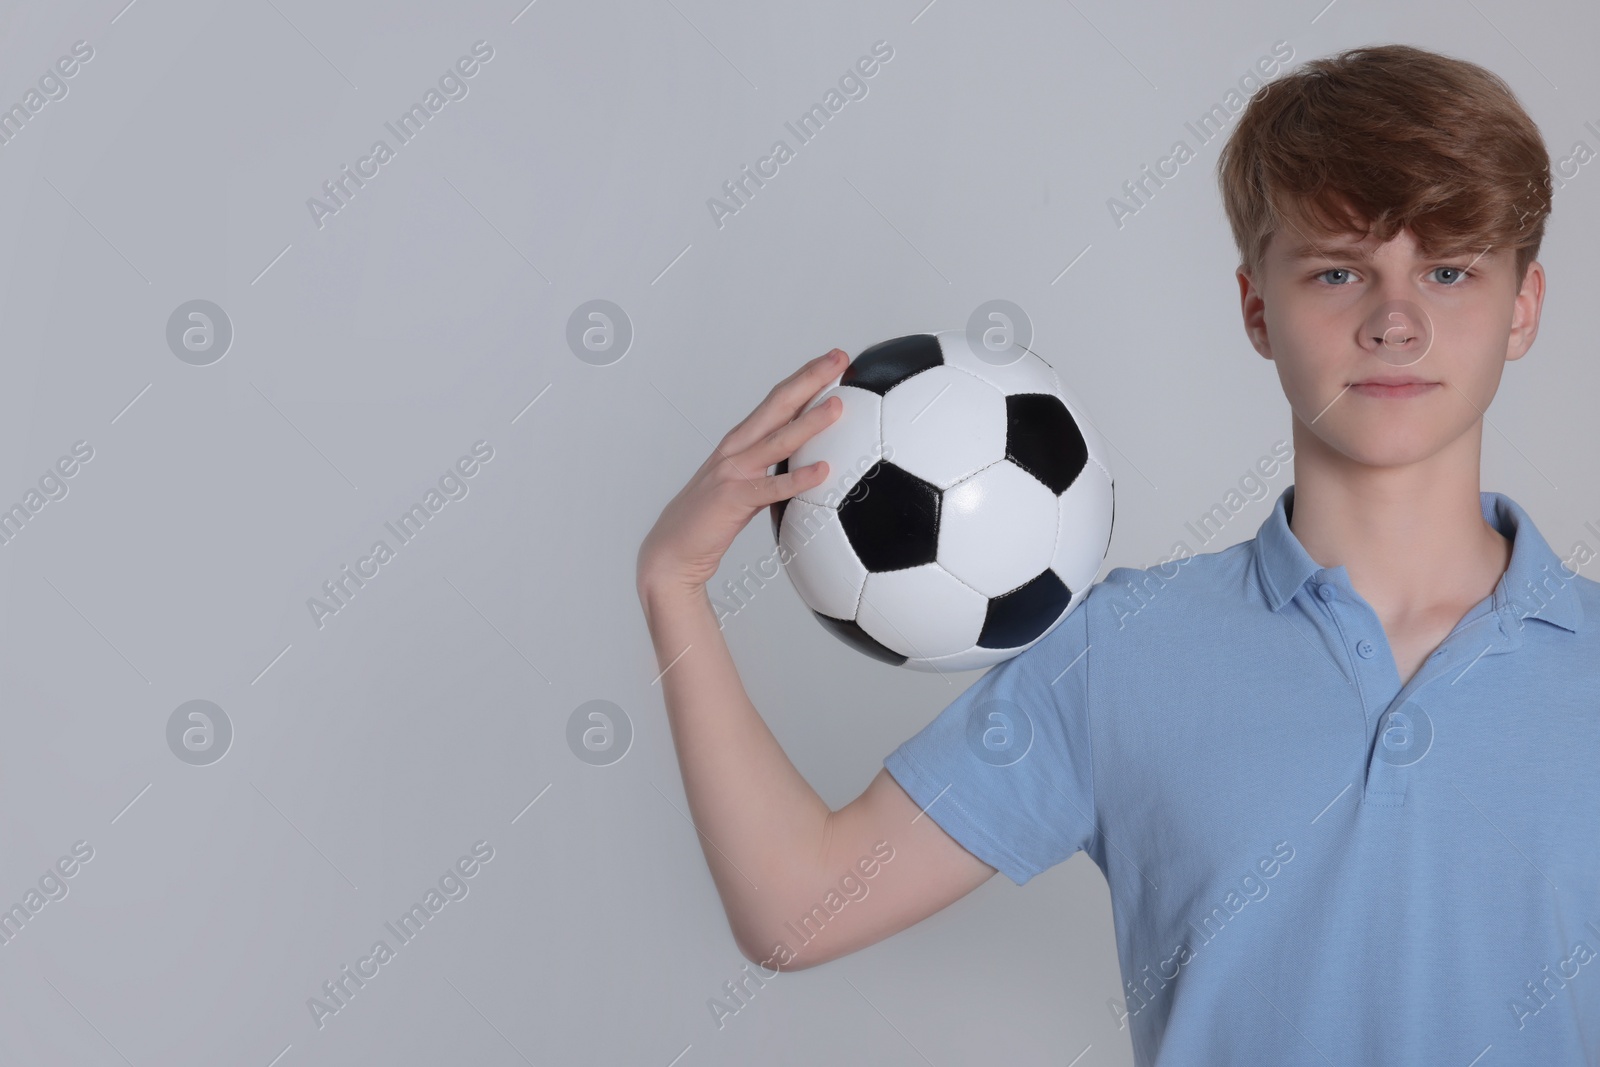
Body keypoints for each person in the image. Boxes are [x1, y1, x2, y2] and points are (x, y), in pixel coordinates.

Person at [636, 42, 1598, 1064]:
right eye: (1338, 271)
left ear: (1522, 307)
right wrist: (675, 585)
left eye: (1448, 270)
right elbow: (796, 905)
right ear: (1256, 310)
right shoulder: (1124, 651)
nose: (1395, 322)